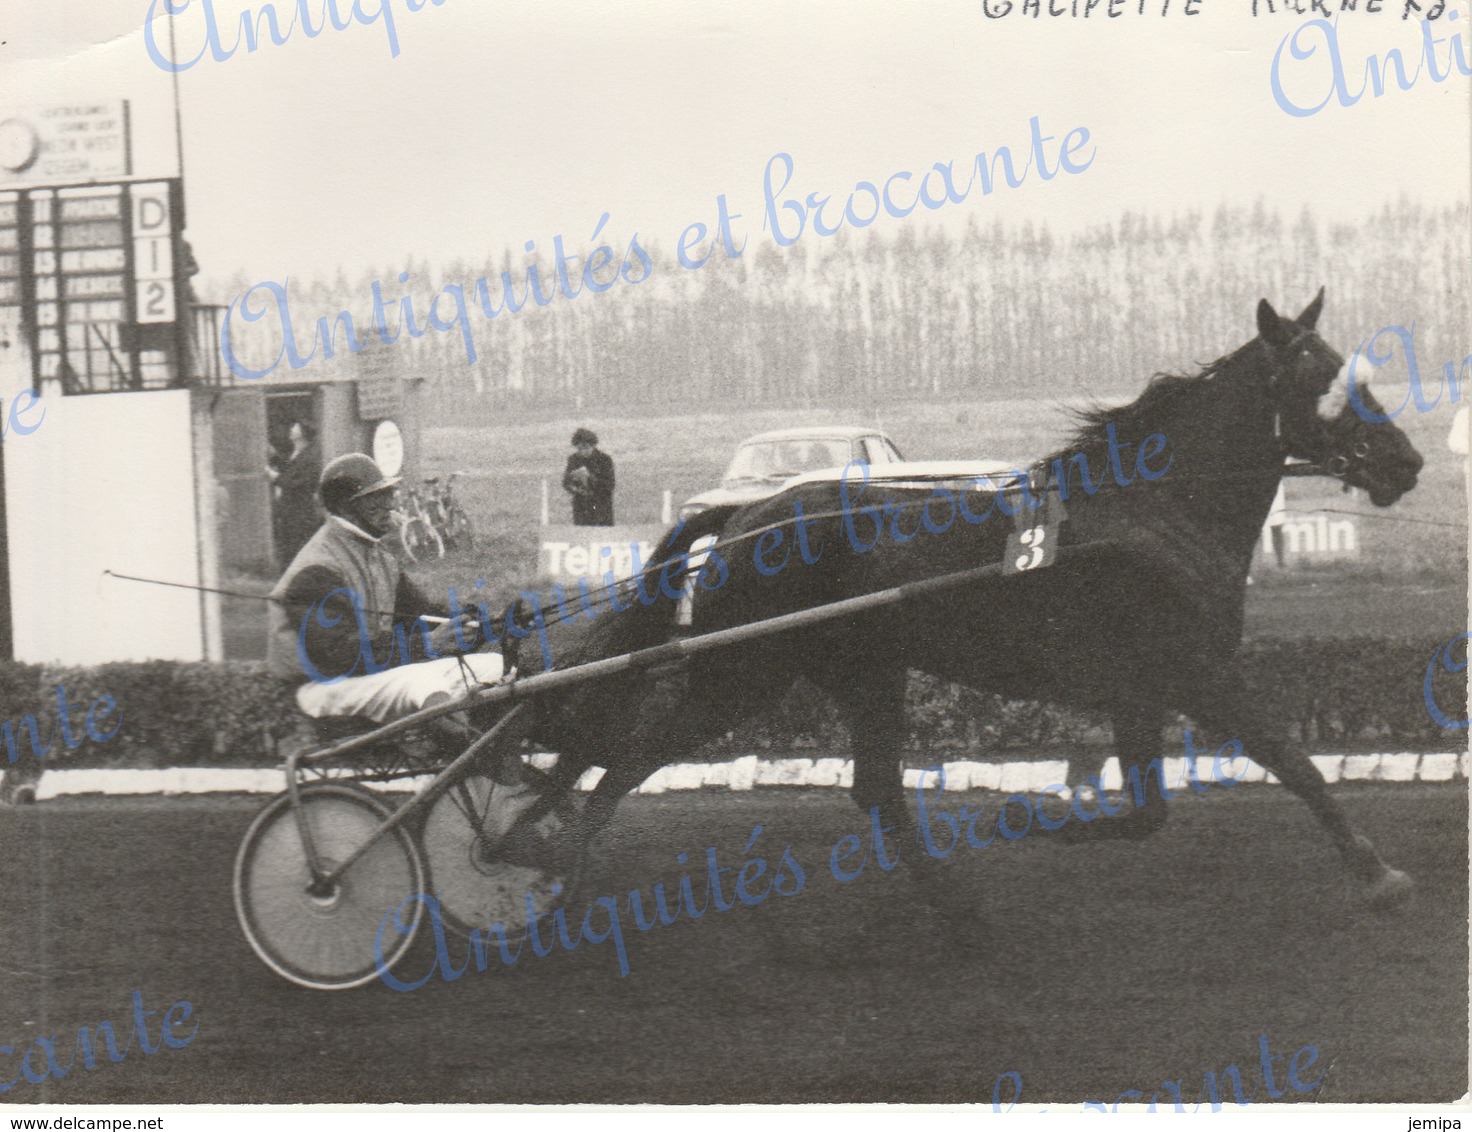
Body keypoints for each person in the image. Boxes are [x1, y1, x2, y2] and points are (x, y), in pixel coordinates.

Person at [266, 453, 505, 726]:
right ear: (346, 508)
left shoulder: (379, 556)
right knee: (423, 680)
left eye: (388, 493)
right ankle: (472, 758)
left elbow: (421, 615)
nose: (390, 503)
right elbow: (337, 656)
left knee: (492, 665)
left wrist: (485, 622)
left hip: (367, 675)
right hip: (321, 686)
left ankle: (504, 761)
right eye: (376, 497)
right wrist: (427, 644)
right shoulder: (317, 568)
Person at [272, 420, 322, 567]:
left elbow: (300, 482)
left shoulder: (310, 457)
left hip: (300, 511)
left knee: (297, 547)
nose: (292, 429)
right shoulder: (297, 453)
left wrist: (276, 479)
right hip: (289, 510)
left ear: (301, 433)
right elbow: (291, 472)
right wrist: (275, 458)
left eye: (295, 427)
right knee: (288, 546)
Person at [562, 427, 615, 526]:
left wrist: (590, 477)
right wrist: (574, 482)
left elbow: (609, 485)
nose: (583, 451)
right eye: (579, 448)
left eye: (586, 447)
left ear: (593, 445)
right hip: (581, 507)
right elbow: (565, 483)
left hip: (601, 507)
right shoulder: (573, 459)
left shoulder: (605, 460)